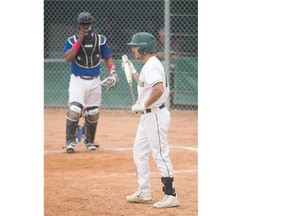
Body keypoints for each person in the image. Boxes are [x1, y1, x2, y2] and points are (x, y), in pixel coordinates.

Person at [123, 32, 180, 208]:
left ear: (144, 47)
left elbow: (158, 89)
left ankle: (171, 196)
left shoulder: (152, 65)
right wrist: (132, 71)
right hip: (149, 115)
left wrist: (144, 105)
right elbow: (145, 84)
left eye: (135, 46)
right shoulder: (149, 65)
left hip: (154, 114)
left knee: (160, 154)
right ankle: (145, 191)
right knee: (138, 151)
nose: (133, 49)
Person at [63, 11, 119, 153]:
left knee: (93, 112)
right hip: (78, 80)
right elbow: (68, 58)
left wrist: (112, 71)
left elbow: (107, 57)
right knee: (75, 110)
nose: (86, 26)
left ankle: (89, 141)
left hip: (95, 81)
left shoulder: (100, 40)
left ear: (92, 24)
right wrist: (79, 40)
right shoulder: (71, 40)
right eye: (83, 24)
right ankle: (70, 141)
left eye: (88, 23)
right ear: (78, 25)